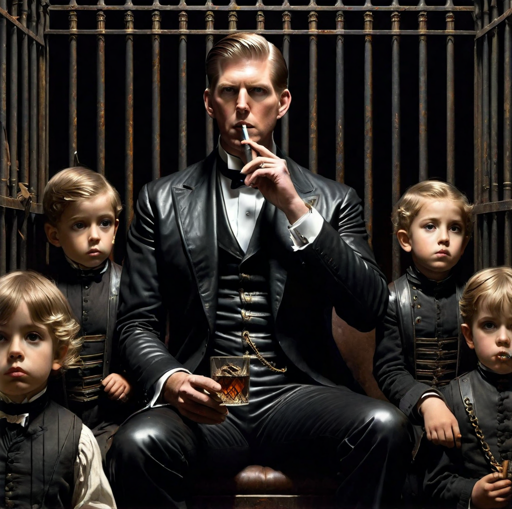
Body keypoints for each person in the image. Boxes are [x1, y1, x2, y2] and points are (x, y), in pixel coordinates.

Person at [108, 32, 411, 509]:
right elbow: (136, 322)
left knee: (386, 428)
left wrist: (296, 208)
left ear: (283, 101)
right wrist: (172, 380)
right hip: (209, 398)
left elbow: (369, 306)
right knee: (136, 445)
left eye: (259, 92)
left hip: (295, 395)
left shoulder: (333, 200)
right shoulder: (160, 200)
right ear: (210, 103)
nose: (243, 105)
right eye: (229, 92)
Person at [374, 180, 475, 503]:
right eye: (430, 226)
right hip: (412, 424)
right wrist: (428, 401)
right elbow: (389, 369)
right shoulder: (391, 298)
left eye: (455, 229)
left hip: (465, 422)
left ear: (466, 240)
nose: (444, 237)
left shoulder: (473, 301)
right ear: (405, 240)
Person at [0, 270, 116, 508]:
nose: (14, 350)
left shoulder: (78, 439)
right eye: (0, 337)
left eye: (32, 336)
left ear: (58, 354)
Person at [43, 167, 132, 459]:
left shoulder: (130, 284)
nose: (95, 236)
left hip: (112, 420)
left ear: (116, 229)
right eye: (80, 225)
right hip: (52, 417)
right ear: (54, 235)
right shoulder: (43, 289)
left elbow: (149, 340)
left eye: (104, 223)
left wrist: (129, 378)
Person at [424, 267, 512, 509]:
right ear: (469, 335)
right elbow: (434, 483)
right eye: (490, 325)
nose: (503, 338)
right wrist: (472, 492)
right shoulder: (450, 400)